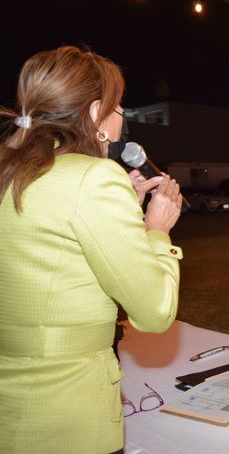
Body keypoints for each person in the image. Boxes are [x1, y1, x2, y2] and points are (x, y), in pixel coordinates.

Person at [0, 46, 184, 452]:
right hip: (66, 410)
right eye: (119, 107)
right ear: (97, 112)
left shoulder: (9, 170)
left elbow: (50, 247)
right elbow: (154, 313)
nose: (122, 118)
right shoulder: (96, 178)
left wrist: (123, 212)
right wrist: (156, 232)